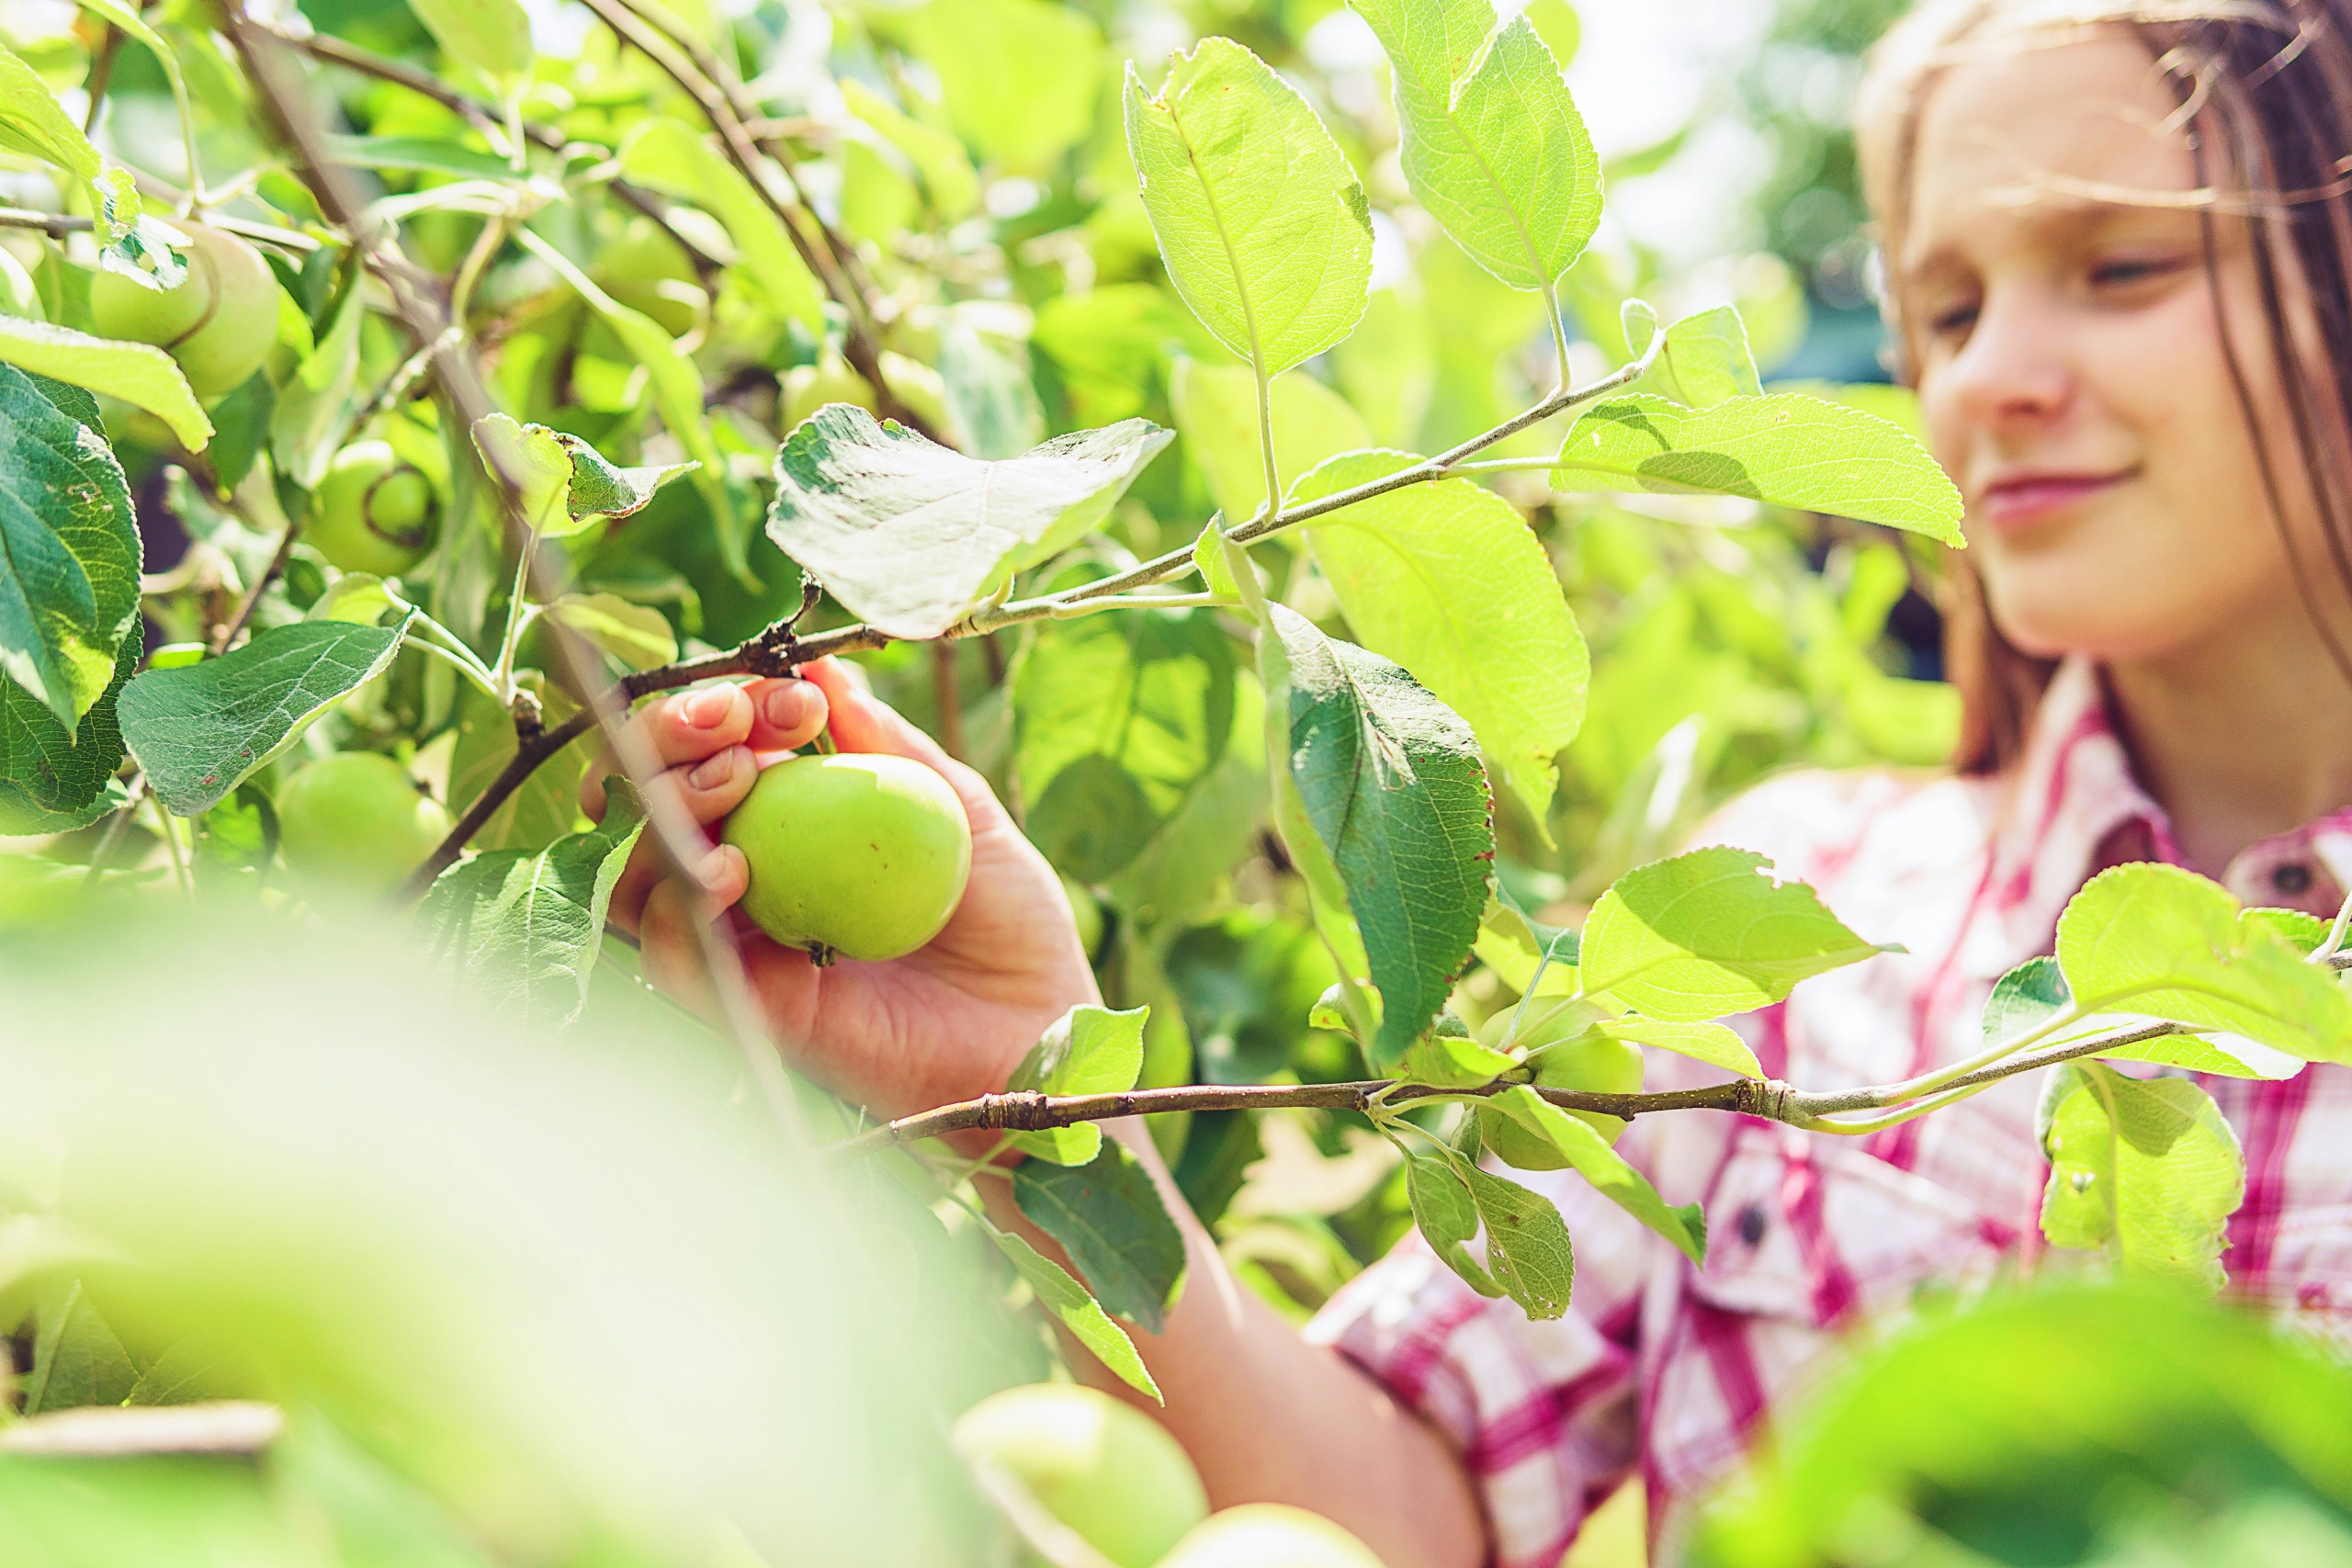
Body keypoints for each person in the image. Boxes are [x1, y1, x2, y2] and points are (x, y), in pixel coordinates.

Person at [586, 1, 2352, 1562]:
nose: (1995, 384)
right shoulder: (1800, 921)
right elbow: (1388, 1515)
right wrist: (1023, 1085)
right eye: (1946, 309)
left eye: (2122, 269)